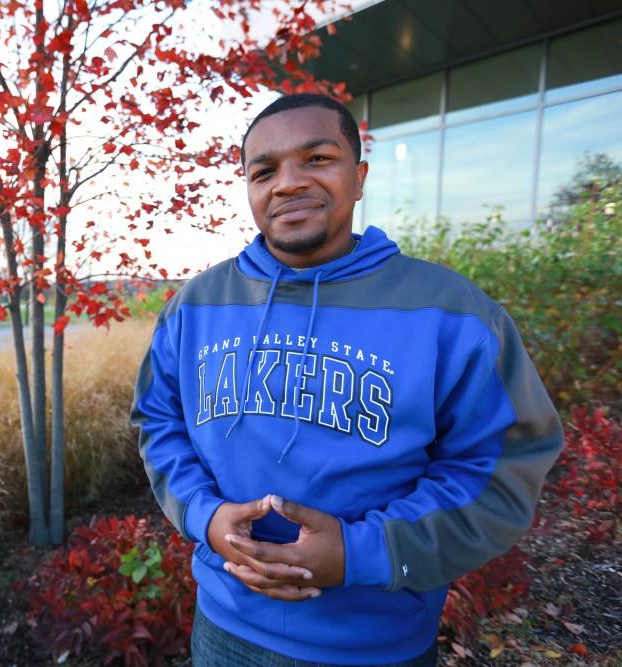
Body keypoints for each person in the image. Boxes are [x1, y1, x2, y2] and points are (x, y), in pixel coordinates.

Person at [130, 93, 564, 666]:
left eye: (316, 159)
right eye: (264, 171)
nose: (287, 183)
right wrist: (205, 517)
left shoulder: (451, 313)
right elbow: (160, 421)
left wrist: (361, 552)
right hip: (223, 629)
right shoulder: (196, 305)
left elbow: (501, 469)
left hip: (372, 645)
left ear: (359, 178)